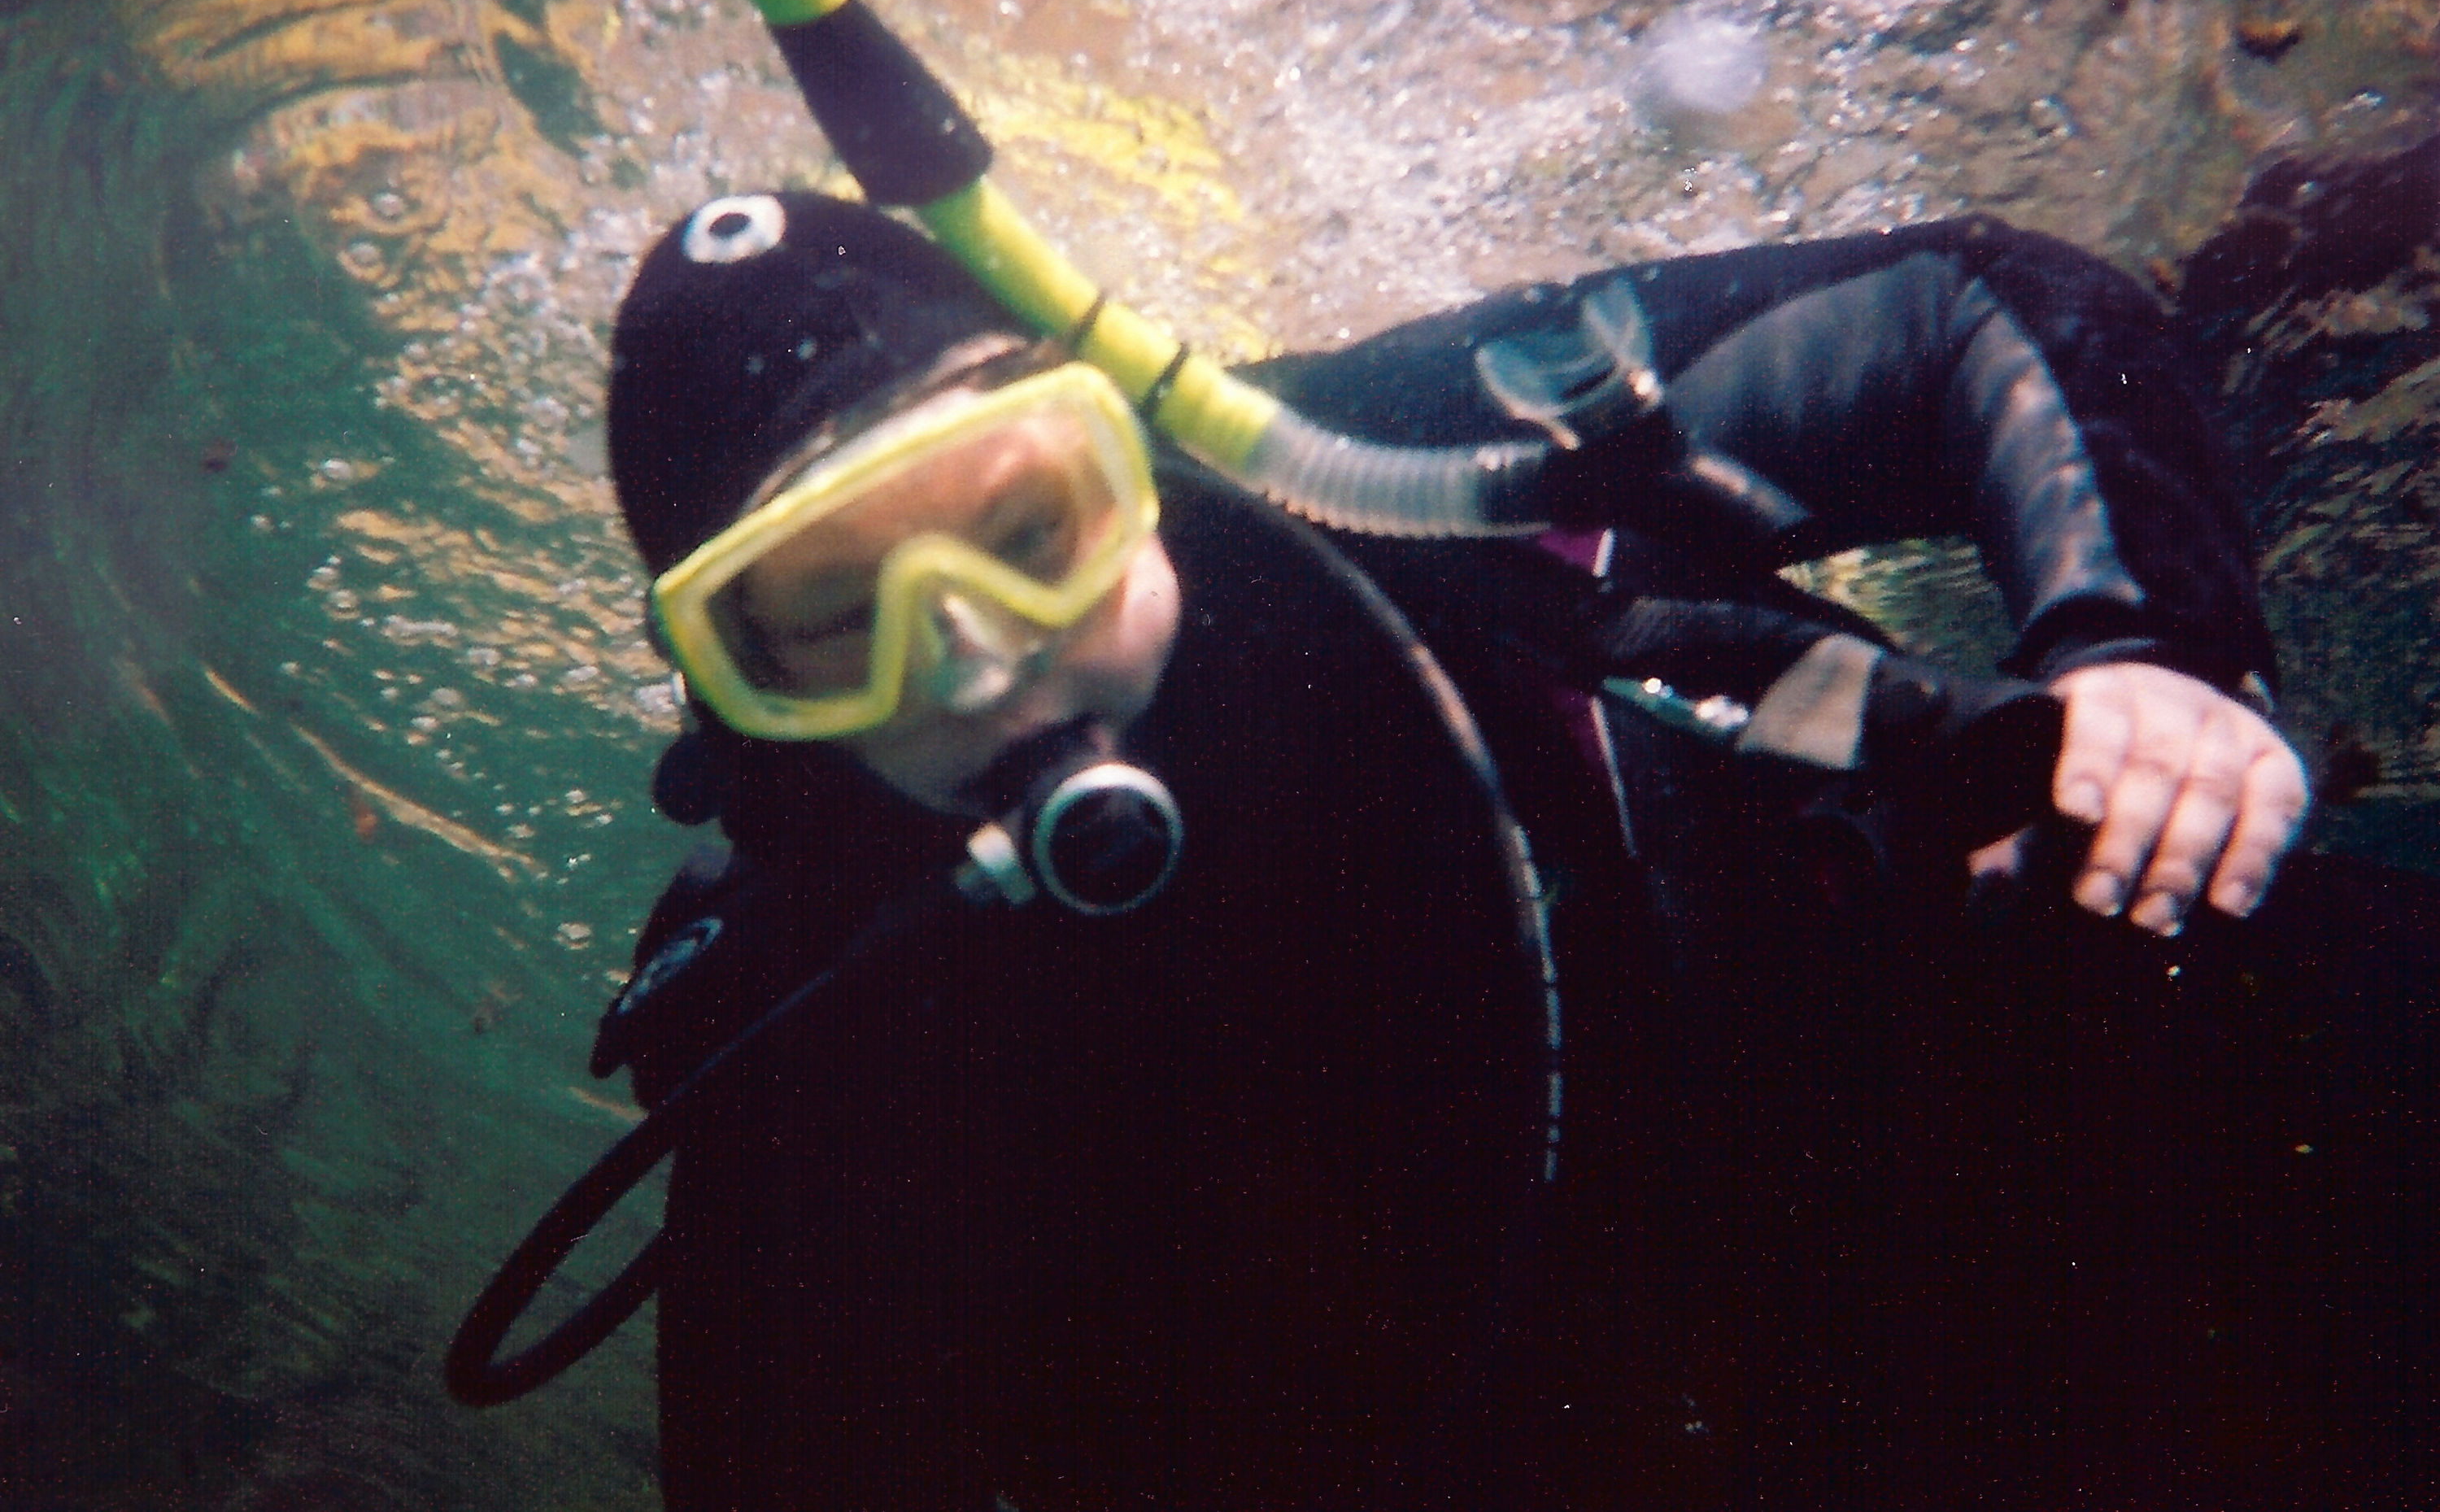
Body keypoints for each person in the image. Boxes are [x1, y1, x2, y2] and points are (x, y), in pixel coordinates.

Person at [563, 185, 2433, 1510]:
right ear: (736, 695)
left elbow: (1960, 302)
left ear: (1127, 458)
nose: (975, 649)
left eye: (1019, 519)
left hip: (1990, 1133)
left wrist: (2145, 654)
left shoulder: (1353, 469)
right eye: (826, 615)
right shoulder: (793, 1048)